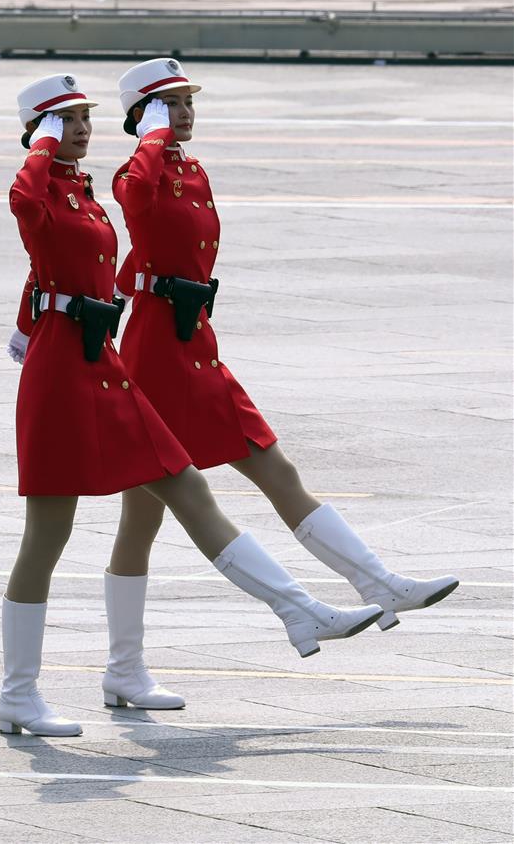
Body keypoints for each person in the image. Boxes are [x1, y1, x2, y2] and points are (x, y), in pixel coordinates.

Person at [1, 72, 384, 735]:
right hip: (62, 378)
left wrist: (23, 317)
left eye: (86, 117)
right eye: (66, 121)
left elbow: (53, 265)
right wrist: (39, 151)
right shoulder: (43, 180)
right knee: (47, 536)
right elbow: (25, 207)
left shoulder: (80, 190)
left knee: (184, 482)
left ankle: (296, 608)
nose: (81, 130)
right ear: (40, 130)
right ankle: (18, 693)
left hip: (97, 362)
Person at [104, 57, 457, 709]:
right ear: (144, 115)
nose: (184, 112)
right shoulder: (139, 170)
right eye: (169, 103)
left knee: (272, 469)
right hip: (157, 352)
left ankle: (377, 582)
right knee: (143, 515)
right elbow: (138, 208)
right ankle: (126, 669)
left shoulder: (190, 169)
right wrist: (148, 139)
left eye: (187, 101)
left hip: (194, 342)